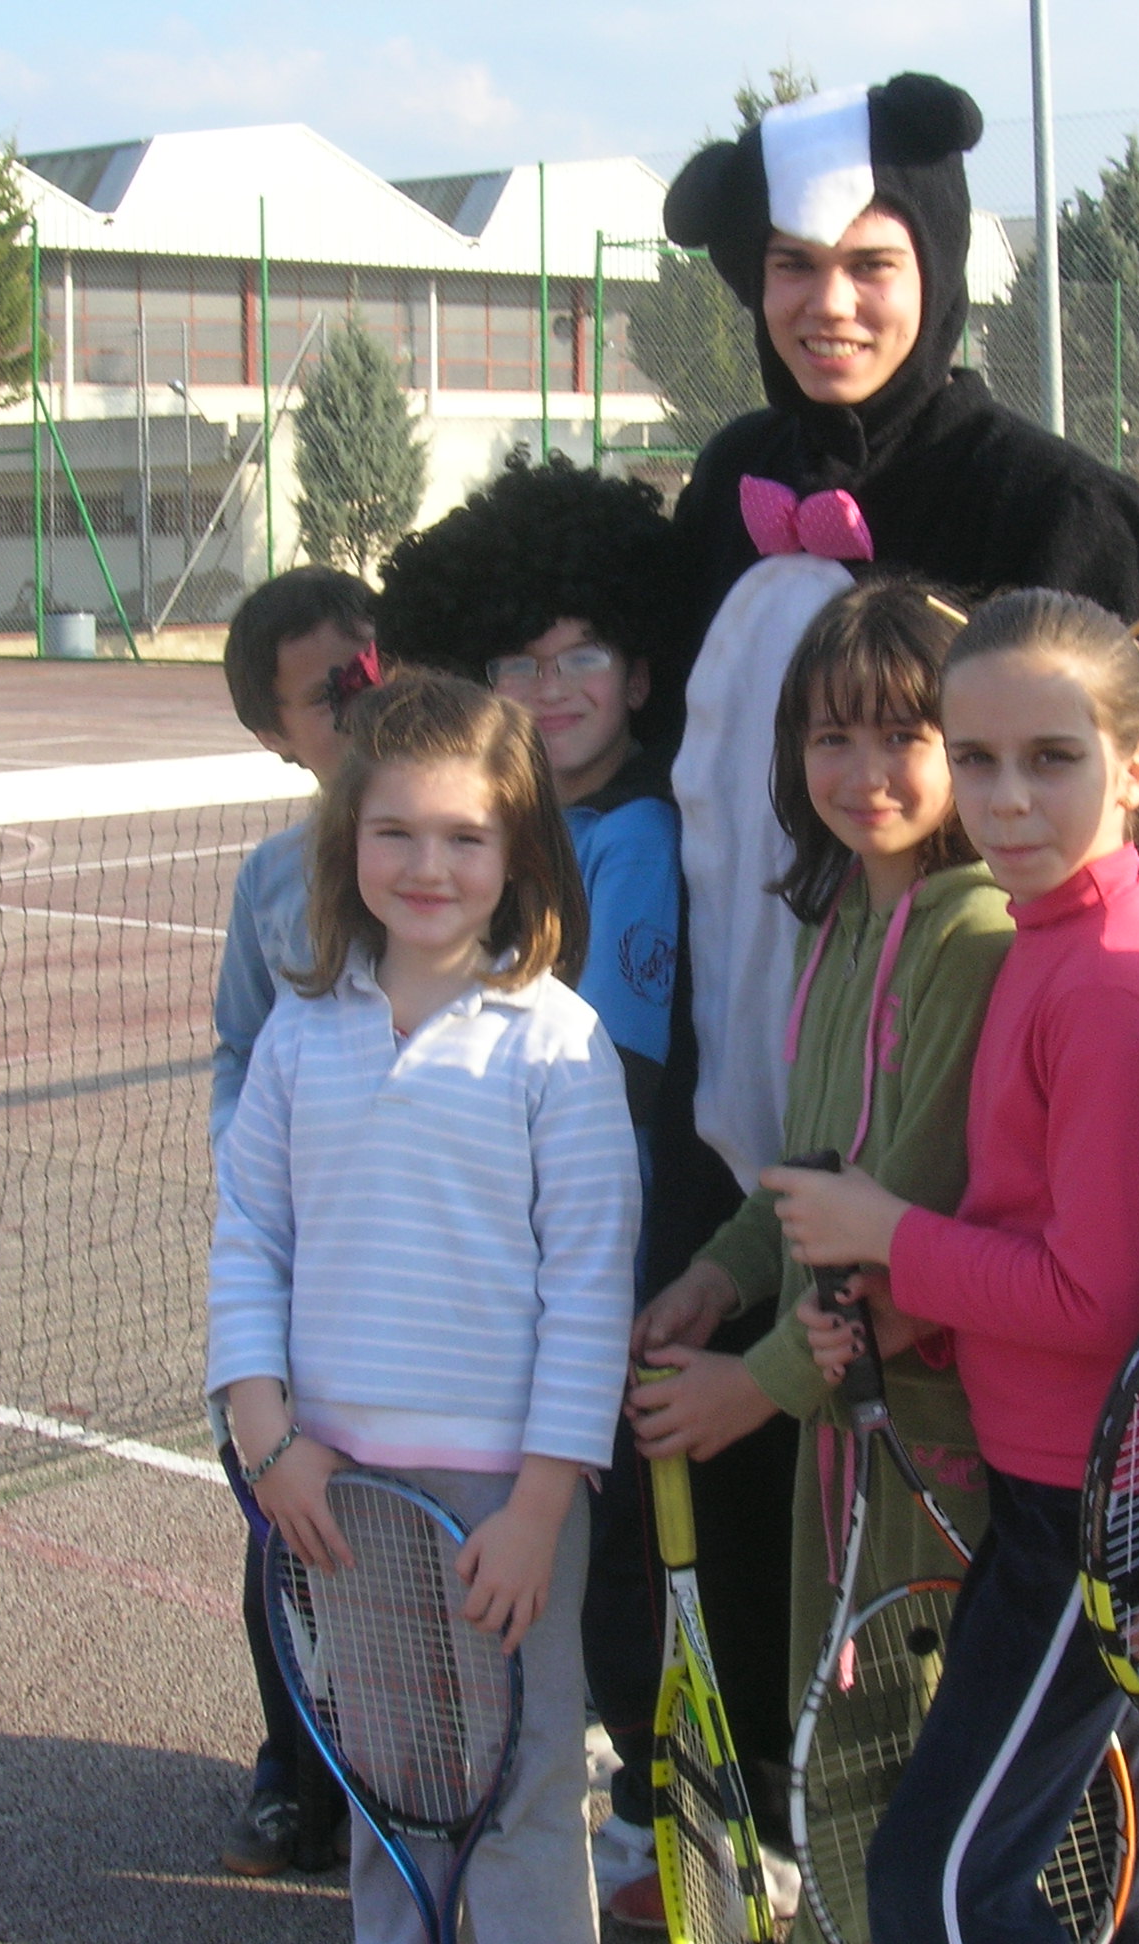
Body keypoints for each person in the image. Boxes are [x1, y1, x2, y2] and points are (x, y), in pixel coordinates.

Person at [659, 73, 1139, 1211]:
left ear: (938, 268)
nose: (829, 303)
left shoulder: (1055, 507)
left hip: (954, 1125)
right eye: (792, 265)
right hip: (729, 1068)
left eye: (871, 265)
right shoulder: (729, 481)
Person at [779, 588, 1139, 1944]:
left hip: (1088, 1513)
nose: (1007, 799)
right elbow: (1035, 1230)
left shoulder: (1111, 986)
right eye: (977, 760)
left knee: (939, 1887)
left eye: (1052, 758)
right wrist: (905, 1289)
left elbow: (1099, 1295)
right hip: (1063, 1488)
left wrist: (887, 1237)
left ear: (1137, 768)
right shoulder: (1053, 940)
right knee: (1117, 1868)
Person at [207, 672, 640, 1944]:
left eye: (465, 836)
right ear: (349, 842)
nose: (428, 866)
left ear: (518, 855)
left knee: (523, 1792)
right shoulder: (300, 1034)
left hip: (509, 1500)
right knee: (391, 1784)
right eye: (395, 832)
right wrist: (268, 1438)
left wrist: (541, 1509)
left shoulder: (559, 1045)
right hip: (338, 1492)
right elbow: (251, 1237)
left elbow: (589, 1291)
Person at [618, 578, 1013, 1939]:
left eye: (906, 735)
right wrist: (719, 1278)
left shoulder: (978, 936)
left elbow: (904, 1236)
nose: (865, 772)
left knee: (916, 1792)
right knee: (839, 1776)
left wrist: (753, 1387)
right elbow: (806, 1169)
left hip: (929, 1450)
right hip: (837, 1446)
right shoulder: (836, 917)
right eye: (831, 737)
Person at [376, 450, 690, 1914]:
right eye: (522, 660)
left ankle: (635, 1819)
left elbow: (609, 1085)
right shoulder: (504, 838)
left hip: (587, 1268)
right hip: (490, 1278)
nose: (553, 687)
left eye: (584, 657)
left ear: (640, 673)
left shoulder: (632, 843)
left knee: (598, 1562)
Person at [209, 565, 383, 1876]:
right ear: (277, 735)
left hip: (424, 1279)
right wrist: (259, 1183)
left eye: (374, 668)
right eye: (329, 693)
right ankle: (297, 1771)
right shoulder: (270, 882)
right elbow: (238, 1049)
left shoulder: (475, 839)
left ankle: (419, 1771)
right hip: (307, 1270)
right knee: (286, 1524)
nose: (362, 700)